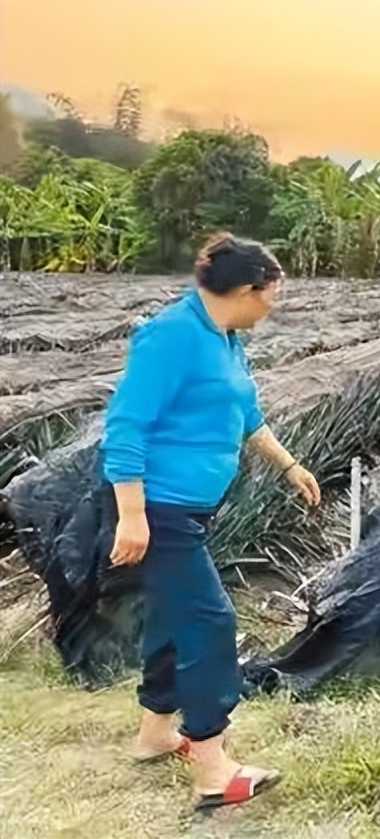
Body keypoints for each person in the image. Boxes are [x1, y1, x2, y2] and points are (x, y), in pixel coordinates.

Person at [103, 232, 322, 813]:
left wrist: (290, 465)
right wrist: (131, 515)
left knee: (176, 618)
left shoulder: (224, 338)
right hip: (160, 509)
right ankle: (212, 769)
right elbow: (125, 427)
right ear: (247, 289)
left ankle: (155, 733)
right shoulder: (170, 337)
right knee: (209, 622)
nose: (274, 306)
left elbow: (246, 414)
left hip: (190, 509)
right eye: (272, 294)